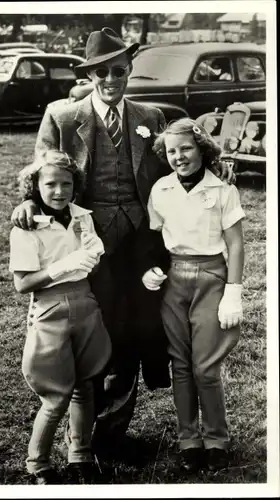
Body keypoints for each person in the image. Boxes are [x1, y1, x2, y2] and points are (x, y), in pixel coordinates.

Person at [11, 27, 235, 456]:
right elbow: (42, 173)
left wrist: (215, 170)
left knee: (133, 333)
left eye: (118, 71)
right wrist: (24, 205)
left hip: (139, 243)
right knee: (92, 334)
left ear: (129, 69)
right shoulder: (62, 116)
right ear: (90, 75)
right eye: (101, 73)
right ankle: (83, 437)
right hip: (86, 242)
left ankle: (113, 432)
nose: (110, 80)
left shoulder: (150, 118)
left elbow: (177, 165)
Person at [143, 118, 245, 474]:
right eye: (171, 151)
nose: (179, 156)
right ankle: (189, 440)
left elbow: (234, 242)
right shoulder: (161, 189)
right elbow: (155, 237)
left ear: (201, 148)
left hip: (211, 276)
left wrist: (233, 290)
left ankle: (216, 439)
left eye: (186, 148)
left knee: (205, 365)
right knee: (181, 364)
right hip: (174, 278)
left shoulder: (222, 189)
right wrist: (151, 267)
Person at [9, 150, 111, 484]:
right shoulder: (26, 226)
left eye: (66, 183)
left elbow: (91, 254)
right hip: (51, 309)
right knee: (55, 395)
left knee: (85, 386)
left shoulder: (83, 216)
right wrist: (59, 268)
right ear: (35, 186)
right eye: (50, 183)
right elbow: (23, 283)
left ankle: (79, 455)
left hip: (85, 305)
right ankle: (38, 462)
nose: (59, 191)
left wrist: (91, 254)